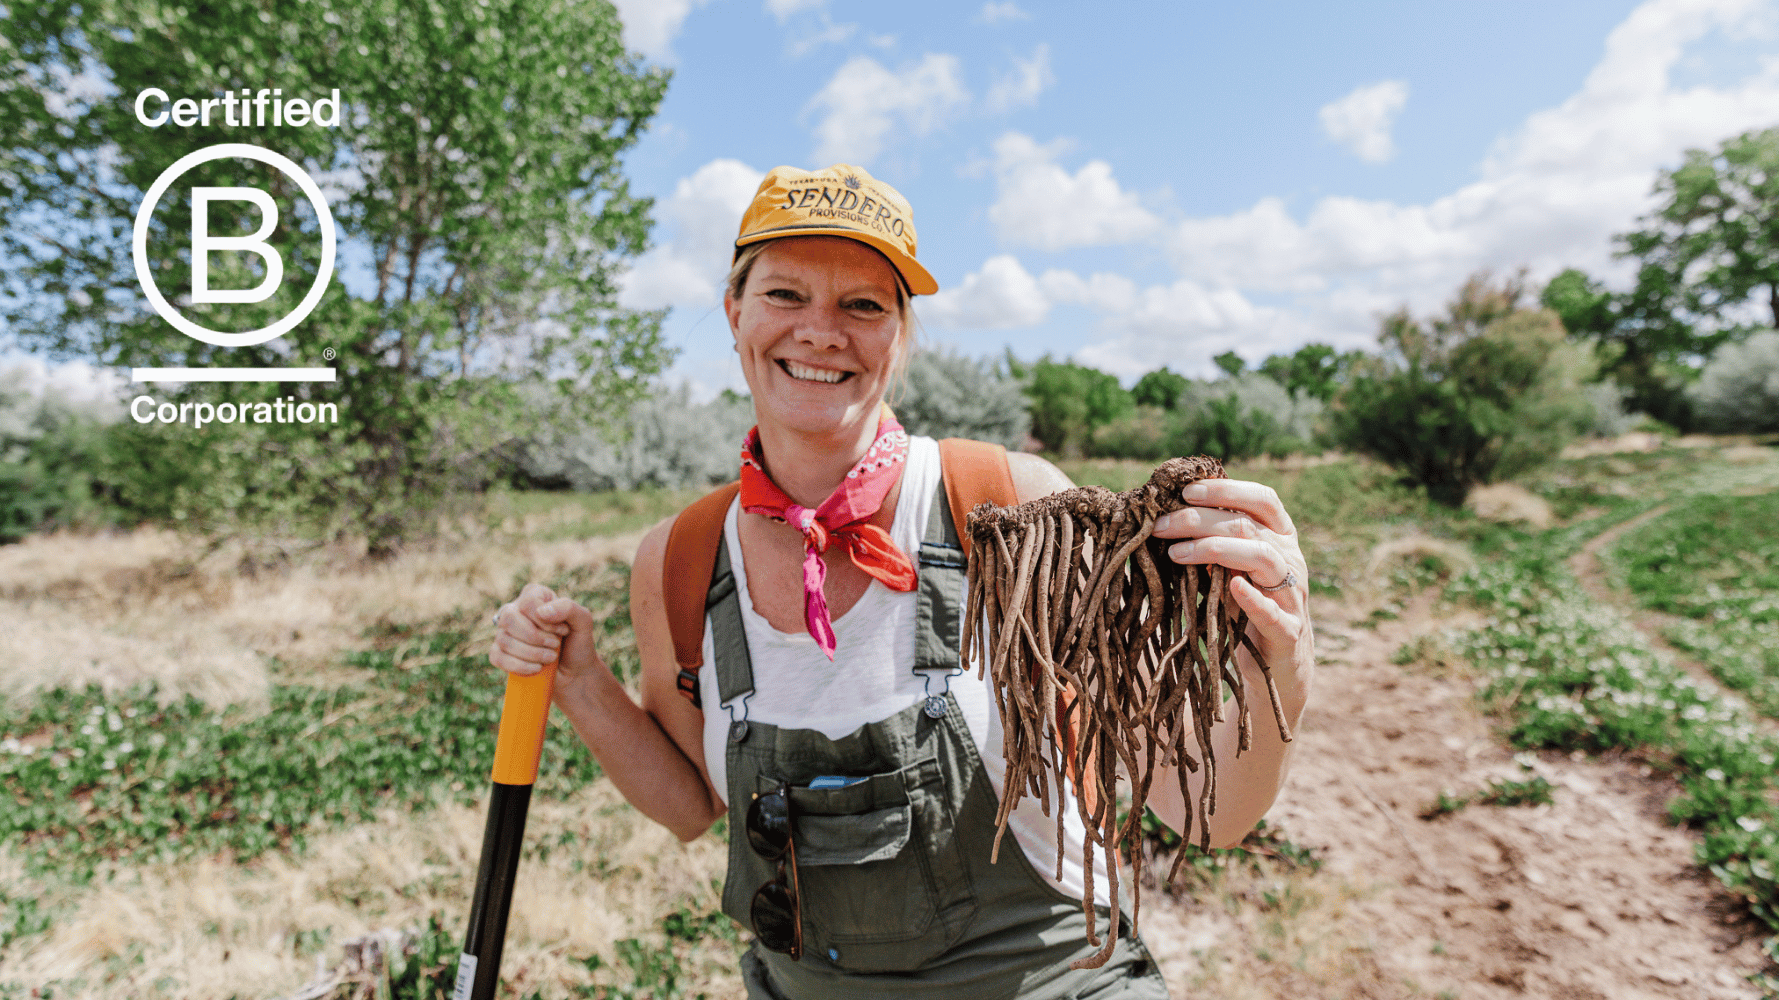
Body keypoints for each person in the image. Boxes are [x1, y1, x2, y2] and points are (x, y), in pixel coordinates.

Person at [489, 163, 1314, 999]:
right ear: (735, 313)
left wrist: (1280, 663)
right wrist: (581, 683)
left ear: (902, 334)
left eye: (863, 305)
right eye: (784, 294)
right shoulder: (682, 558)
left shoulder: (1011, 510)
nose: (821, 332)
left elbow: (1208, 812)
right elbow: (690, 807)